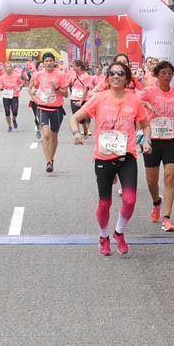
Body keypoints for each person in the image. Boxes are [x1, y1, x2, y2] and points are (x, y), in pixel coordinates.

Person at [71, 60, 151, 256]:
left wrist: (147, 141)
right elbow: (74, 118)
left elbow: (145, 124)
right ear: (107, 78)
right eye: (112, 73)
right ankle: (103, 237)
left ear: (127, 79)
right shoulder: (99, 98)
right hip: (103, 157)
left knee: (130, 200)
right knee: (105, 203)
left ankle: (119, 232)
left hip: (127, 156)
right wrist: (76, 133)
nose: (116, 76)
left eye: (120, 74)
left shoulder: (134, 100)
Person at [138, 61, 174, 233]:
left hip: (171, 140)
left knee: (170, 177)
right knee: (152, 181)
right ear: (157, 75)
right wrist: (145, 104)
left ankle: (167, 218)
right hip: (151, 140)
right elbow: (134, 101)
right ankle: (156, 202)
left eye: (170, 73)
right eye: (163, 73)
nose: (167, 76)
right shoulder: (148, 91)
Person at [29, 56, 69, 173]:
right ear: (43, 62)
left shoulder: (60, 75)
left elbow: (66, 94)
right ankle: (48, 162)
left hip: (56, 109)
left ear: (54, 62)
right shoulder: (38, 75)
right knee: (46, 135)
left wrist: (57, 88)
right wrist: (34, 96)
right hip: (42, 108)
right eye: (46, 61)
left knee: (54, 136)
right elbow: (31, 88)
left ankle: (51, 158)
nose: (48, 63)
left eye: (51, 61)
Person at [66, 60, 93, 140]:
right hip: (74, 98)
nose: (73, 68)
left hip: (84, 99)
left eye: (74, 66)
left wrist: (81, 101)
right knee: (75, 117)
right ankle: (77, 135)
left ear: (79, 67)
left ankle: (85, 130)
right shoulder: (73, 75)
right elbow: (68, 83)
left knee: (83, 118)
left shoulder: (86, 76)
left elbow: (86, 88)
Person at [0, 62, 24, 132]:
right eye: (7, 67)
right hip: (6, 96)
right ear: (4, 68)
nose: (8, 68)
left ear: (12, 67)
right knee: (7, 111)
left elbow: (21, 83)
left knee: (15, 111)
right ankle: (9, 126)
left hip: (14, 95)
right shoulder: (2, 77)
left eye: (9, 66)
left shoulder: (16, 75)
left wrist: (19, 87)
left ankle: (14, 119)